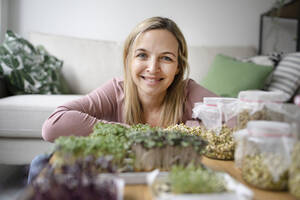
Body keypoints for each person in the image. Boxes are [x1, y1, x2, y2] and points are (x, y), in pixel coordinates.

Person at [42, 16, 217, 142]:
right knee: (40, 163)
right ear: (128, 59)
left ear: (178, 66)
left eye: (166, 58)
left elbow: (237, 119)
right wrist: (135, 134)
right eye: (142, 55)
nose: (152, 68)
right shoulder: (116, 90)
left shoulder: (189, 92)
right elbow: (52, 126)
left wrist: (194, 128)